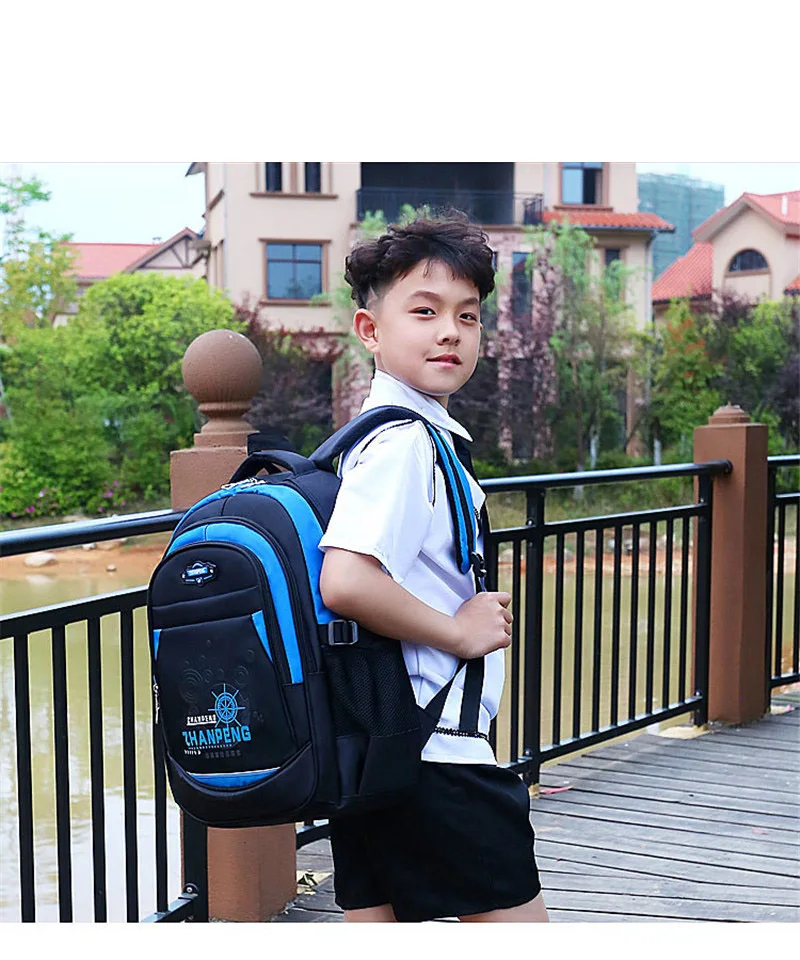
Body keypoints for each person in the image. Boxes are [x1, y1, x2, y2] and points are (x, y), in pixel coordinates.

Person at [318, 213, 548, 923]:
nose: (450, 331)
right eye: (424, 311)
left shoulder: (382, 437)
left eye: (467, 315)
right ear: (370, 329)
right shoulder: (404, 445)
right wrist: (458, 630)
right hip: (435, 751)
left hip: (378, 745)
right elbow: (345, 580)